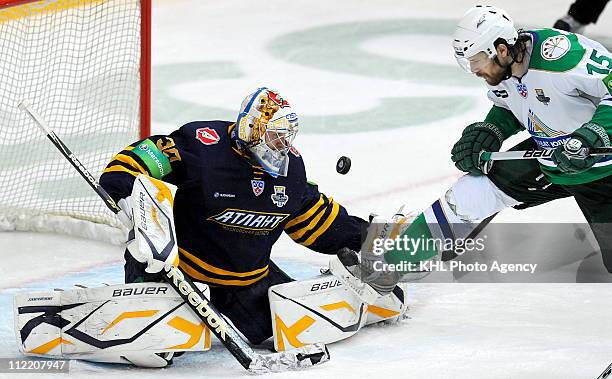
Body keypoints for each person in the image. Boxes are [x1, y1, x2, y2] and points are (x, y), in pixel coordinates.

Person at [349, 5, 612, 294]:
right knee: (472, 193)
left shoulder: (562, 56)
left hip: (604, 167)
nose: (473, 70)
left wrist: (591, 136)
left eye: (476, 60)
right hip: (551, 156)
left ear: (500, 49)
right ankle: (386, 271)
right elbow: (514, 103)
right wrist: (492, 130)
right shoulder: (506, 68)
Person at [99, 87, 369, 346]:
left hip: (245, 282)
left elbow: (318, 222)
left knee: (298, 332)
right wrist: (125, 194)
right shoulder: (204, 145)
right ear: (252, 129)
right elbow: (136, 161)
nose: (283, 145)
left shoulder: (291, 171)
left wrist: (369, 238)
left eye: (286, 137)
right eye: (275, 136)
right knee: (160, 345)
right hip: (177, 273)